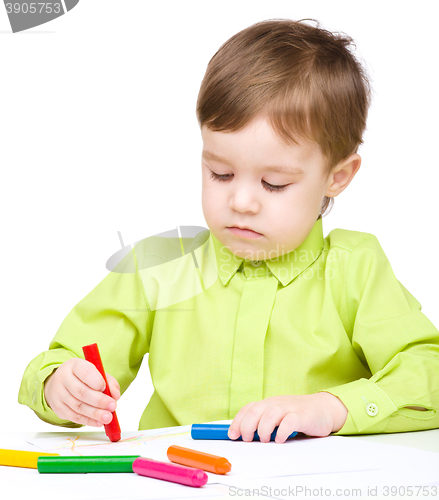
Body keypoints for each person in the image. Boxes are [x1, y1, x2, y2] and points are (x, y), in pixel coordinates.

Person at [19, 18, 439, 443]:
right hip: (176, 482)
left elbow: (429, 374)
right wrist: (61, 387)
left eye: (274, 183)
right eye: (220, 173)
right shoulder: (162, 264)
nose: (241, 202)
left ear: (338, 176)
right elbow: (62, 362)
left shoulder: (356, 269)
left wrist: (332, 408)